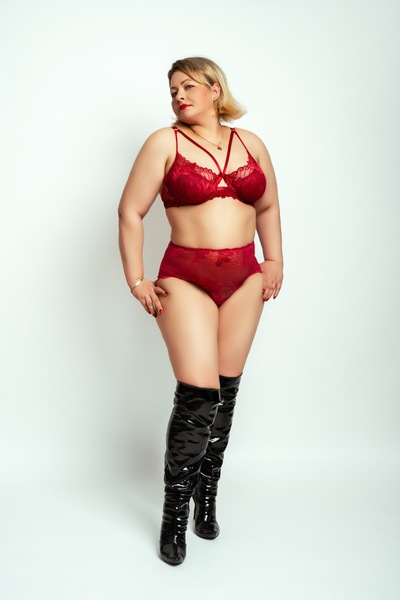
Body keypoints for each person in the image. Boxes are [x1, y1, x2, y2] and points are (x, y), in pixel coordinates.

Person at [118, 57, 283, 566]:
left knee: (225, 394)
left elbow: (268, 206)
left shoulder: (251, 143)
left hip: (245, 276)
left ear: (215, 89)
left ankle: (206, 496)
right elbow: (130, 211)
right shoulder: (163, 143)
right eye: (172, 90)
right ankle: (174, 513)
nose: (178, 96)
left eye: (188, 86)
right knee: (198, 395)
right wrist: (136, 279)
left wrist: (274, 260)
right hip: (185, 276)